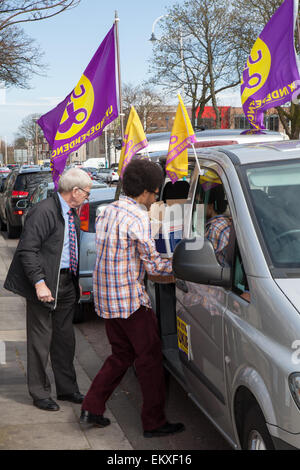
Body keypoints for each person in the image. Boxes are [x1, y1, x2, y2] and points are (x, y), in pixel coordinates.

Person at [80, 159, 185, 438]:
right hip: (129, 302)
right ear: (148, 192)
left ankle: (92, 406)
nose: (155, 200)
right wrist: (181, 264)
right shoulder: (138, 217)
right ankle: (153, 422)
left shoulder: (106, 211)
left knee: (121, 355)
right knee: (149, 359)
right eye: (155, 194)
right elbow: (153, 265)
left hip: (105, 298)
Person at [4, 168, 92, 411]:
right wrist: (39, 283)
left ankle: (67, 389)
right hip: (44, 285)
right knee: (40, 341)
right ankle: (40, 393)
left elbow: (65, 248)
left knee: (65, 340)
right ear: (75, 191)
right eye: (86, 193)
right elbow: (27, 250)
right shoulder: (44, 212)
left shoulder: (71, 212)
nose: (87, 197)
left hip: (66, 283)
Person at [205, 184, 231, 266]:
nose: (195, 206)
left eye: (199, 202)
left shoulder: (214, 228)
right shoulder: (226, 221)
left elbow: (207, 263)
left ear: (210, 206)